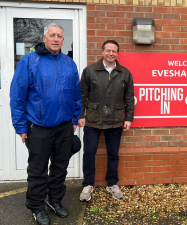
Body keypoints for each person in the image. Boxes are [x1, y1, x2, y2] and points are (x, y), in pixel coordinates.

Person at [10, 23, 81, 225]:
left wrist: (75, 118)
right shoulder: (29, 61)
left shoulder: (69, 63)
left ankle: (55, 201)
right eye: (52, 35)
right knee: (38, 170)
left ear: (63, 39)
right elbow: (17, 96)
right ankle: (37, 207)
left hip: (64, 126)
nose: (56, 39)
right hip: (39, 127)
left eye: (59, 35)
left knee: (60, 167)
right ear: (45, 37)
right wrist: (21, 127)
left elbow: (76, 94)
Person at [78, 40, 134, 202]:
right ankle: (88, 184)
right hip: (93, 120)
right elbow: (82, 95)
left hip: (115, 120)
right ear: (102, 52)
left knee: (113, 154)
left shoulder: (125, 73)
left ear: (117, 53)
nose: (111, 54)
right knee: (89, 153)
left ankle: (112, 183)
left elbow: (129, 98)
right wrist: (81, 115)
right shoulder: (89, 71)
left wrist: (128, 118)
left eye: (114, 51)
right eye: (108, 50)